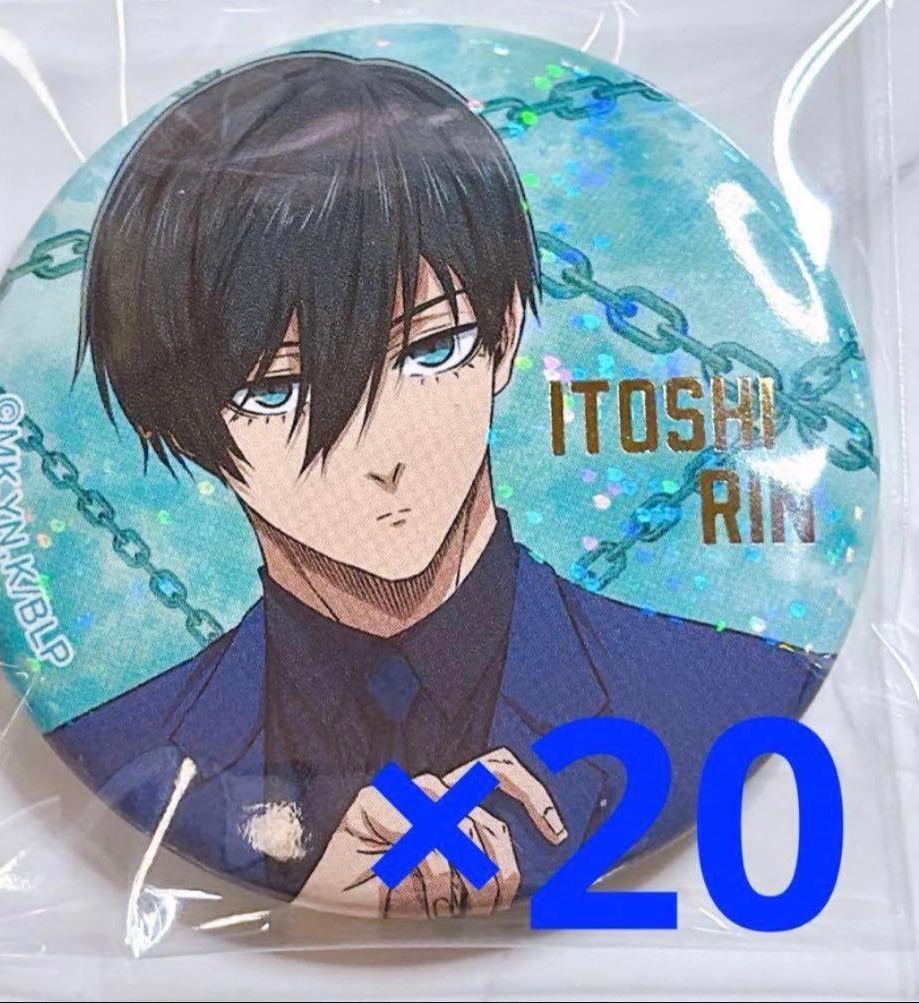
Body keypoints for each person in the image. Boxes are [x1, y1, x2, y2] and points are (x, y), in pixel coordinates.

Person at [51, 51, 826, 918]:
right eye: (277, 391)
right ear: (179, 421)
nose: (381, 454)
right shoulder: (114, 756)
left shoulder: (731, 697)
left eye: (431, 349)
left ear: (503, 333)